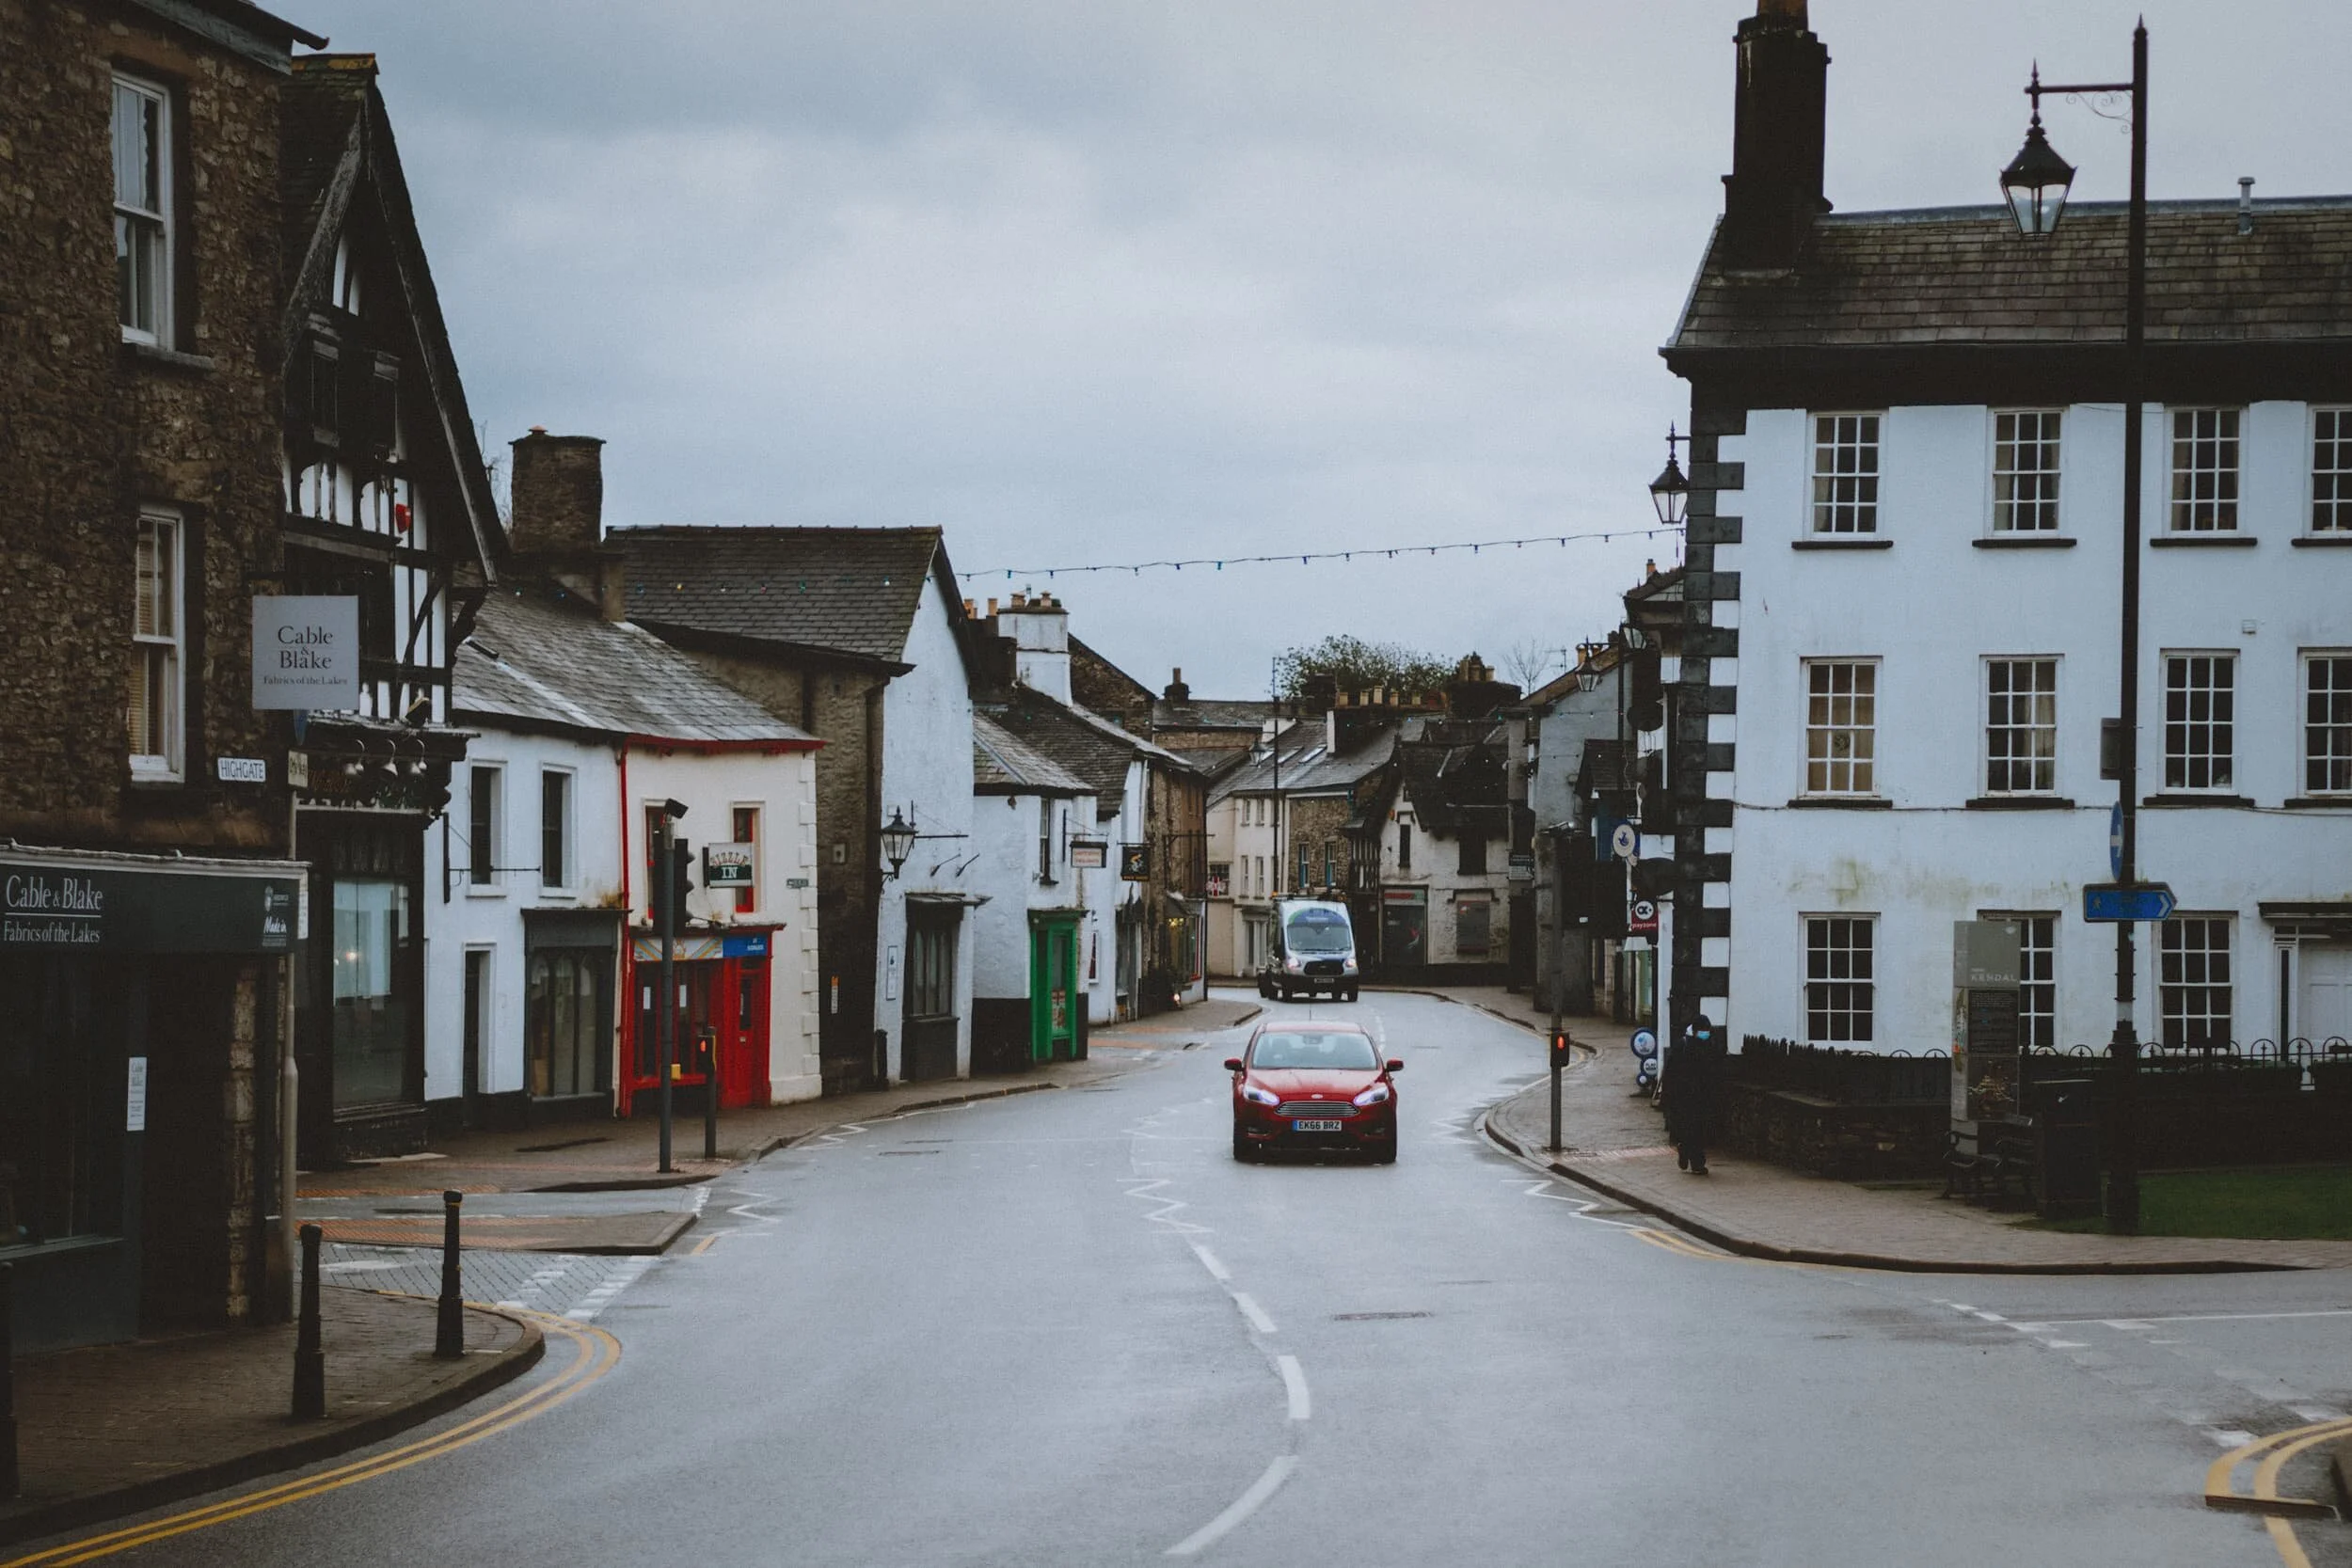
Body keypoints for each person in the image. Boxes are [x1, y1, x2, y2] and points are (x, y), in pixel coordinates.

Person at [1663, 1014, 1722, 1175]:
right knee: (1691, 1129)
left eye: (1707, 1030)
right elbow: (1670, 1072)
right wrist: (1669, 1095)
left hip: (1703, 1096)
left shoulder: (1710, 1045)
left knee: (1700, 1130)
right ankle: (1697, 1163)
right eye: (1703, 1031)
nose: (1706, 1033)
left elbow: (1714, 1068)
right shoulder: (1683, 1045)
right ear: (1695, 1031)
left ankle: (1685, 1150)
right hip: (1685, 1097)